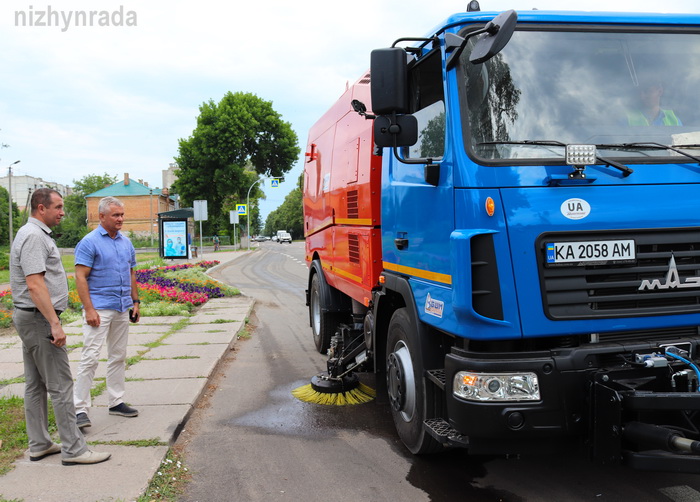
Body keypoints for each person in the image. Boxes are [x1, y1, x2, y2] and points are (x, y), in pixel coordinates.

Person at [10, 188, 110, 465]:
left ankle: (40, 443)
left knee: (35, 384)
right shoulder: (33, 236)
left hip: (30, 317)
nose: (63, 212)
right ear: (41, 208)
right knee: (61, 385)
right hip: (39, 319)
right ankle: (74, 449)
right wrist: (55, 324)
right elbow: (34, 284)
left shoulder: (31, 233)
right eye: (59, 207)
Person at [73, 196, 140, 429]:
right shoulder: (89, 242)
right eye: (116, 215)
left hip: (122, 306)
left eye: (122, 215)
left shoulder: (125, 242)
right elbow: (80, 276)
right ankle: (79, 408)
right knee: (90, 357)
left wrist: (136, 302)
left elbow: (131, 272)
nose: (121, 219)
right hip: (99, 308)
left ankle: (116, 401)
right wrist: (89, 309)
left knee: (118, 355)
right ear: (101, 217)